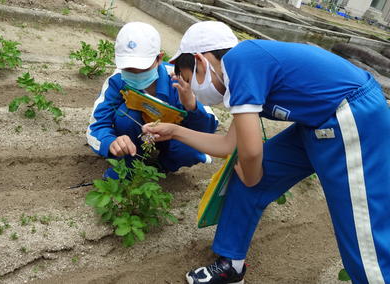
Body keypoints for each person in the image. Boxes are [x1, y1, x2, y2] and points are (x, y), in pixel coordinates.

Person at [143, 21, 390, 284]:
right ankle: (231, 266)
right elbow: (229, 146)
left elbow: (250, 154)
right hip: (316, 122)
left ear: (200, 62)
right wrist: (175, 131)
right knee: (250, 176)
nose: (191, 88)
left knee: (362, 228)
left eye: (187, 78)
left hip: (351, 115)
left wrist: (252, 173)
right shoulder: (246, 71)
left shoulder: (240, 61)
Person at [87, 22, 218, 178]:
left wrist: (192, 106)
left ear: (159, 58)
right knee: (126, 115)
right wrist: (110, 142)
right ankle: (130, 164)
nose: (135, 74)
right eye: (128, 68)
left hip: (172, 136)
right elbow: (97, 125)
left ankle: (160, 166)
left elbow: (208, 129)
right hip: (134, 134)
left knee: (189, 150)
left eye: (142, 68)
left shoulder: (180, 78)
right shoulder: (117, 81)